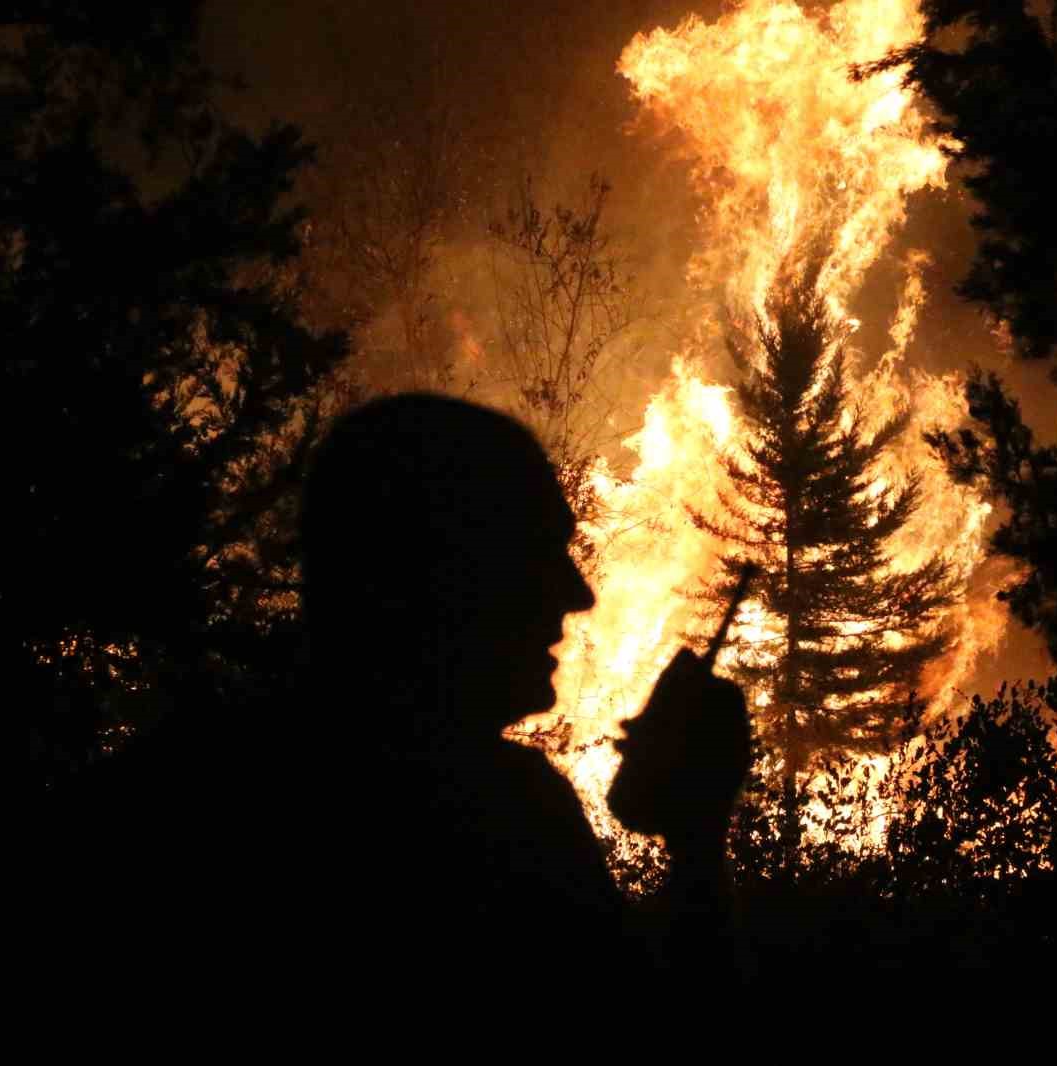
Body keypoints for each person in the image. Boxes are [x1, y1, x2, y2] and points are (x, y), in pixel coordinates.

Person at [296, 394, 751, 980]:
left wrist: (693, 830)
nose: (579, 595)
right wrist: (696, 837)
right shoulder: (506, 815)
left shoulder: (202, 773)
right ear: (439, 567)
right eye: (536, 554)